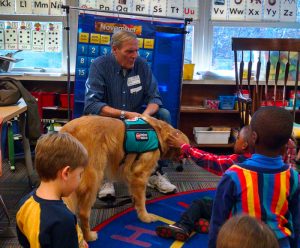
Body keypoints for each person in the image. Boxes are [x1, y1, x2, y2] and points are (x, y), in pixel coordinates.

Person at [84, 29, 176, 198]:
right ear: (114, 50)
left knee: (163, 115)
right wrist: (125, 114)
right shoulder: (99, 65)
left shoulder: (141, 65)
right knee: (93, 119)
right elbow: (92, 104)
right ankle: (106, 178)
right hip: (110, 119)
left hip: (137, 116)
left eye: (136, 50)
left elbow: (155, 98)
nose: (134, 55)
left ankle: (155, 172)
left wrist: (146, 116)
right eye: (129, 51)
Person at [208, 106, 300, 248]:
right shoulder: (293, 177)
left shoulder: (233, 175)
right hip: (280, 242)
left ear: (254, 137)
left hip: (241, 243)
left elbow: (217, 221)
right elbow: (295, 221)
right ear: (286, 144)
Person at [155, 125, 253, 241]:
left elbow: (211, 160)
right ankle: (212, 224)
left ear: (244, 145)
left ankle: (184, 226)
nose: (235, 141)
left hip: (235, 214)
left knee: (200, 204)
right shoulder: (278, 166)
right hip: (257, 220)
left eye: (237, 138)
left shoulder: (238, 162)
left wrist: (185, 146)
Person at [16, 132, 89, 248]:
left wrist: (78, 239)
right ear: (66, 173)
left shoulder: (24, 203)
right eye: (80, 174)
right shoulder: (64, 220)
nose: (80, 180)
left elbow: (24, 241)